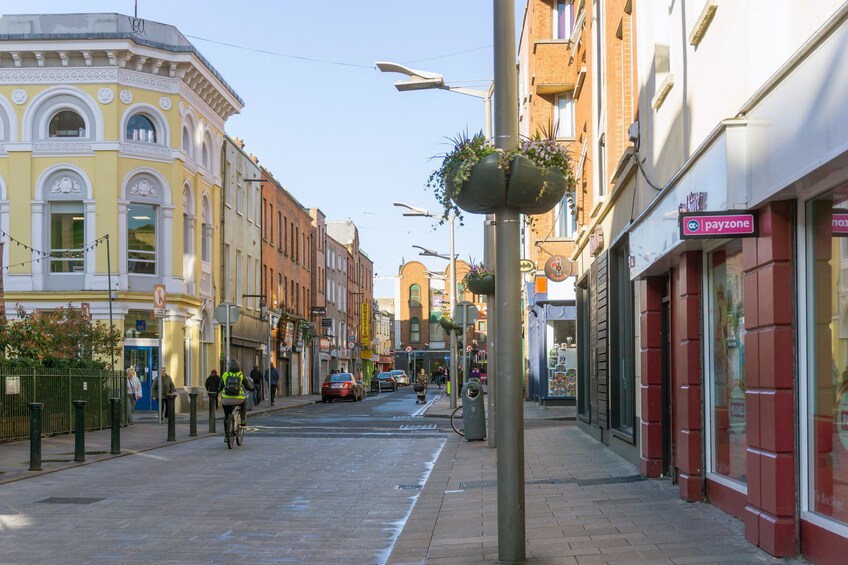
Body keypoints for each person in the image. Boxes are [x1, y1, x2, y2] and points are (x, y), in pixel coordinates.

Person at [220, 358, 253, 435]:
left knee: (226, 416)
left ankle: (226, 435)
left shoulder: (225, 374)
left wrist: (218, 390)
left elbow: (220, 387)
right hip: (239, 399)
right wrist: (252, 389)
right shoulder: (241, 374)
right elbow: (247, 387)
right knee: (244, 403)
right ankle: (242, 420)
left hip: (226, 400)